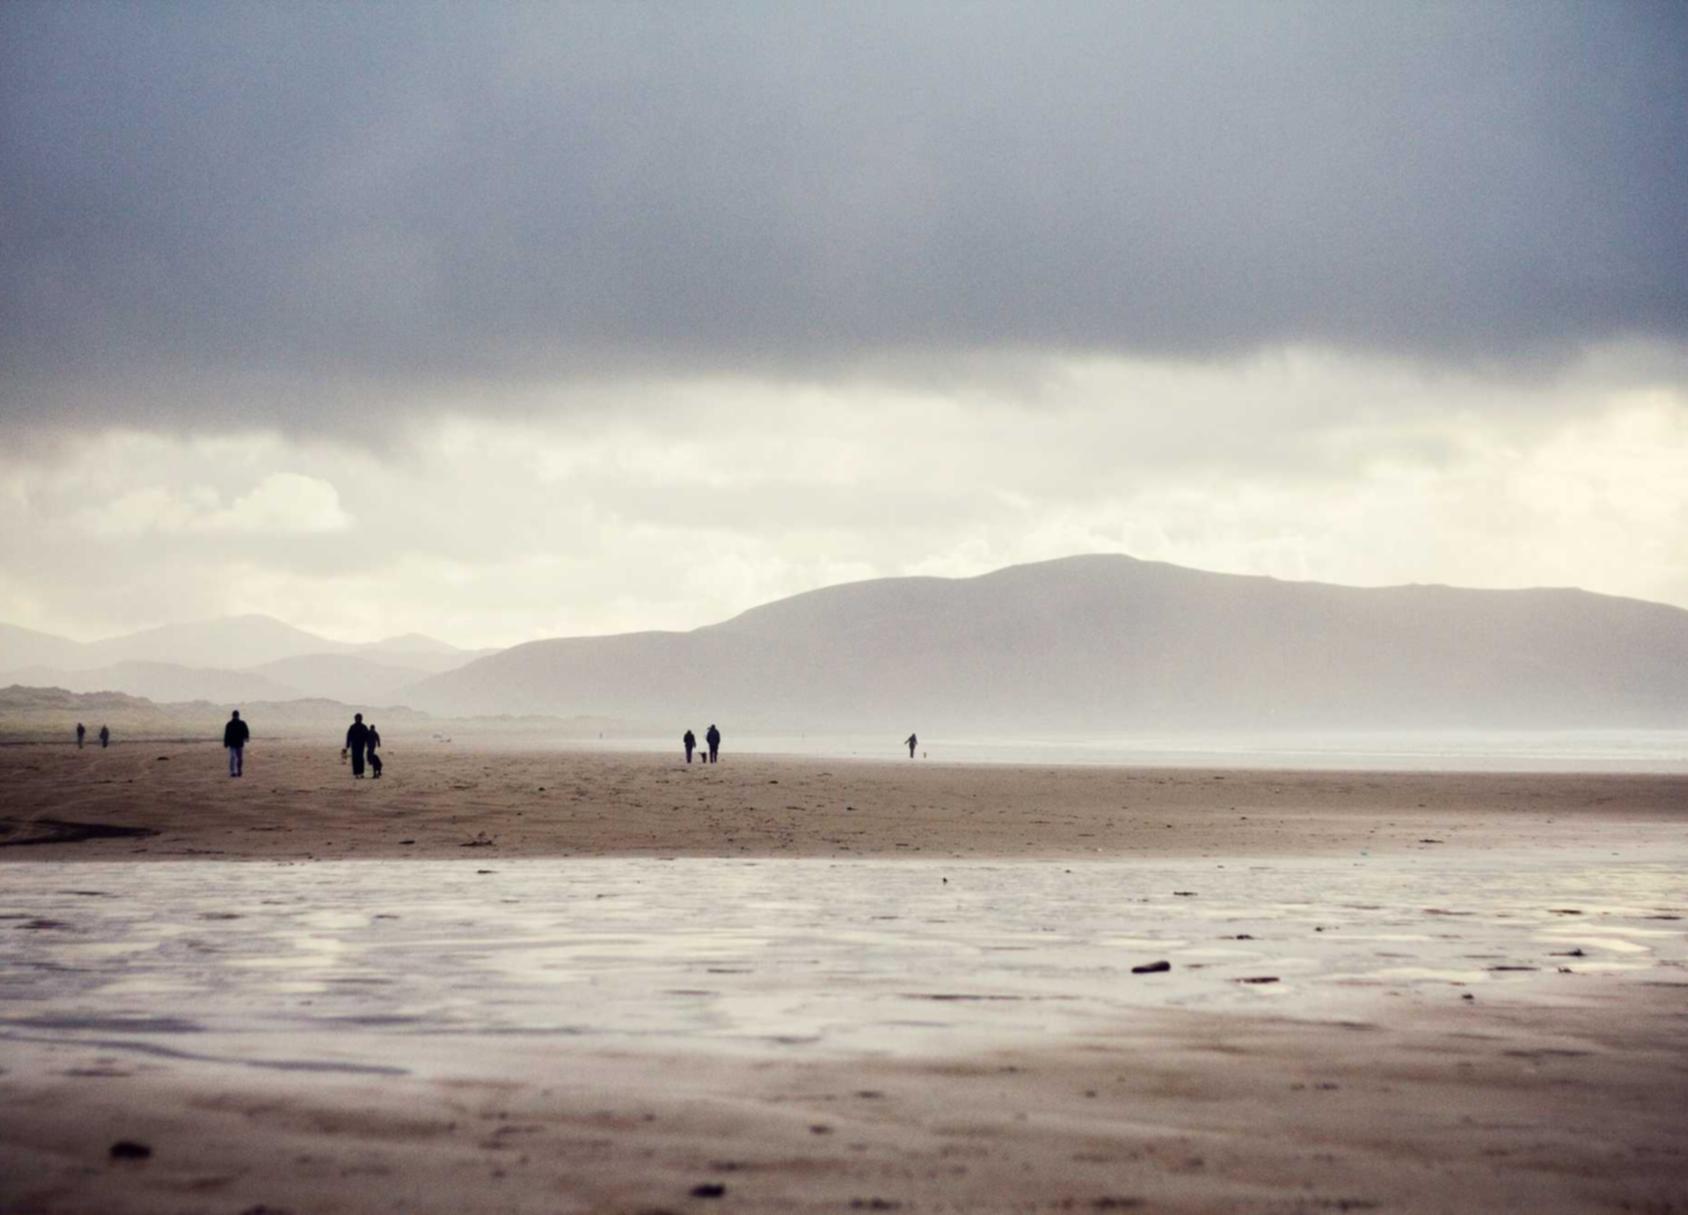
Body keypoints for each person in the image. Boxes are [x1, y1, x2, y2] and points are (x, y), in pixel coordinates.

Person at [223, 710, 249, 777]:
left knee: (235, 758)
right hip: (236, 744)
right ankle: (234, 772)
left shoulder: (231, 724)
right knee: (235, 758)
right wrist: (246, 738)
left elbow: (226, 734)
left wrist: (226, 743)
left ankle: (237, 771)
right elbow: (246, 732)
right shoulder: (238, 723)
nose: (235, 717)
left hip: (236, 743)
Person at [345, 713, 370, 778]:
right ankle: (358, 773)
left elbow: (367, 736)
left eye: (359, 718)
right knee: (357, 759)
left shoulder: (356, 727)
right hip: (357, 745)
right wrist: (347, 744)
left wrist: (348, 744)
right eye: (357, 718)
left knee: (358, 759)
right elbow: (349, 736)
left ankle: (359, 773)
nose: (358, 719)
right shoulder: (360, 727)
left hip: (358, 745)